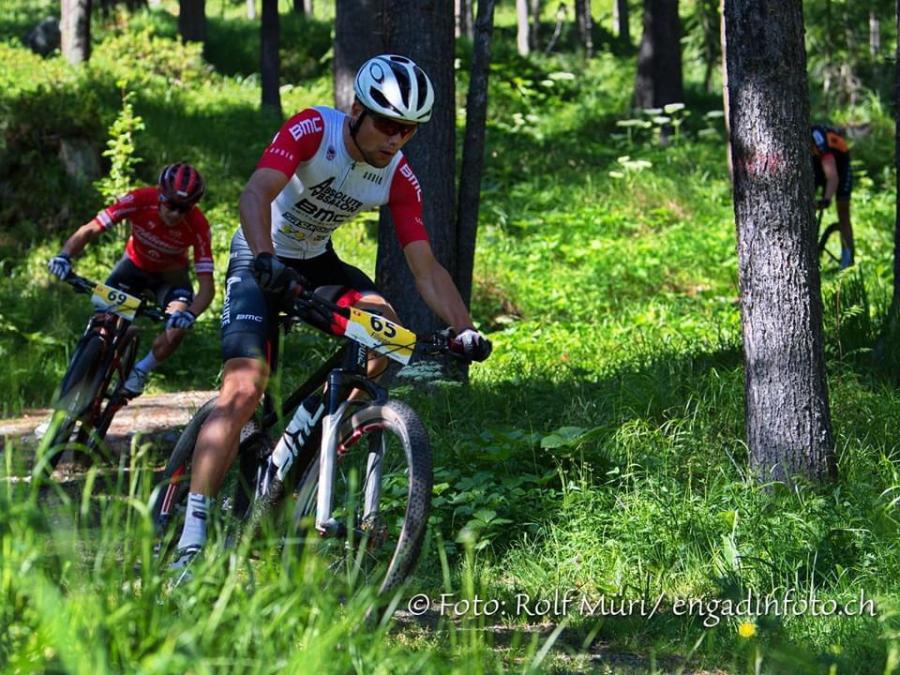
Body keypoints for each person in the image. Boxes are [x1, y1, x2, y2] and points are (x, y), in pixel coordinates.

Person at [169, 54, 492, 569]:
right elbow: (255, 194)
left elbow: (426, 269)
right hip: (261, 252)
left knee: (385, 331)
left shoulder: (399, 176)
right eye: (388, 124)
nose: (395, 139)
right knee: (244, 390)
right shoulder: (314, 128)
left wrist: (465, 329)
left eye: (408, 130)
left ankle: (303, 446)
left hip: (315, 262)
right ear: (359, 111)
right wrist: (266, 259)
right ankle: (190, 539)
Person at [47, 163, 215, 396]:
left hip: (170, 278)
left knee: (176, 324)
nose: (176, 213)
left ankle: (141, 370)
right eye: (171, 205)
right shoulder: (140, 199)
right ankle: (77, 384)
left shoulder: (198, 225)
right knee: (102, 322)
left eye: (184, 208)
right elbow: (91, 229)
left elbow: (207, 288)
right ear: (160, 195)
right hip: (133, 267)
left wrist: (190, 314)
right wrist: (64, 256)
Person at [811, 124, 854, 268]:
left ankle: (847, 261)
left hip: (840, 168)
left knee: (842, 210)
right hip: (817, 166)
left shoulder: (818, 138)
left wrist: (826, 200)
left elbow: (833, 176)